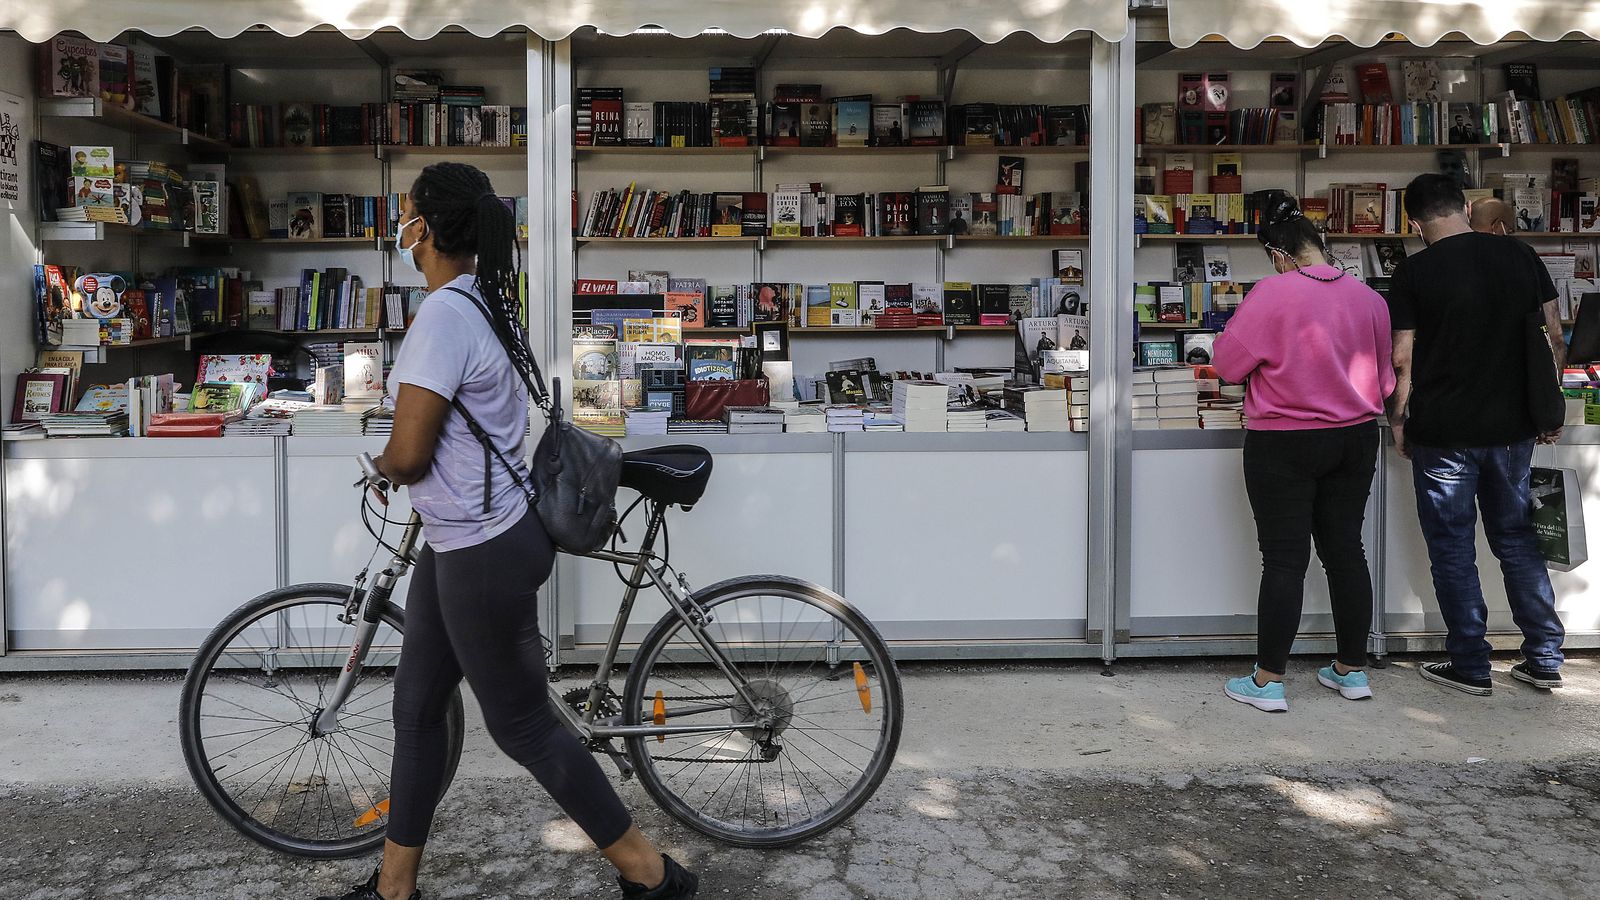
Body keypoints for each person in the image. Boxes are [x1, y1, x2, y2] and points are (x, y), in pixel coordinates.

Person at [316, 163, 697, 900]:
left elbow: (411, 451)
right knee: (418, 710)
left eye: (404, 213)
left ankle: (652, 875)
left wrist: (381, 464)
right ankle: (394, 888)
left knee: (522, 727)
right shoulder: (481, 302)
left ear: (423, 228)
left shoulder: (442, 318)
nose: (399, 225)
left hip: (481, 552)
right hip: (468, 541)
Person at [1211, 196, 1395, 713]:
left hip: (1283, 442)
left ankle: (1268, 681)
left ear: (1279, 253)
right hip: (1356, 437)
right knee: (1346, 552)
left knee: (1285, 560)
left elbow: (1227, 365)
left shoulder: (1272, 293)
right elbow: (1384, 379)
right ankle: (1351, 671)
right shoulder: (1370, 299)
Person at [1388, 173, 1566, 697]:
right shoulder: (1522, 257)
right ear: (1465, 207)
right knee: (1517, 540)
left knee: (1452, 547)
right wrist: (1545, 406)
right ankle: (1544, 657)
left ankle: (1470, 664)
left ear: (1416, 223)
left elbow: (1404, 357)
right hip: (1513, 430)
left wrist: (1400, 420)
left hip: (1443, 430)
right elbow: (1554, 336)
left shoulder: (1414, 271)